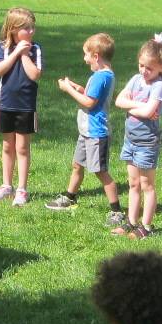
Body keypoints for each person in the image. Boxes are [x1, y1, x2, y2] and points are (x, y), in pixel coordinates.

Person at [48, 33, 123, 221]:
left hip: (96, 133)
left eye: (86, 54)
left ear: (96, 56)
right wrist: (77, 87)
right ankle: (69, 197)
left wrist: (69, 90)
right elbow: (91, 96)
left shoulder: (101, 77)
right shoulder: (102, 75)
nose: (84, 58)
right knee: (77, 165)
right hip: (87, 131)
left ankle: (116, 210)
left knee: (100, 172)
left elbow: (89, 103)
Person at [112, 36, 162, 238]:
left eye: (149, 68)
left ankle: (146, 226)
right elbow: (119, 101)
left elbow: (149, 113)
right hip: (131, 140)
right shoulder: (136, 79)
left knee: (147, 185)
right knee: (133, 184)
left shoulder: (159, 86)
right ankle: (131, 221)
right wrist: (140, 106)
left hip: (147, 142)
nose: (144, 72)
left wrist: (135, 107)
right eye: (141, 66)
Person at [0, 7, 42, 206]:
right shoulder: (2, 47)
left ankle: (22, 189)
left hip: (26, 106)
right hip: (5, 104)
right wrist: (15, 52)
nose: (31, 32)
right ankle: (6, 185)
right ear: (13, 29)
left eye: (32, 27)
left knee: (22, 147)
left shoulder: (35, 49)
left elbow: (35, 75)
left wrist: (24, 54)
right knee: (7, 146)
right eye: (26, 28)